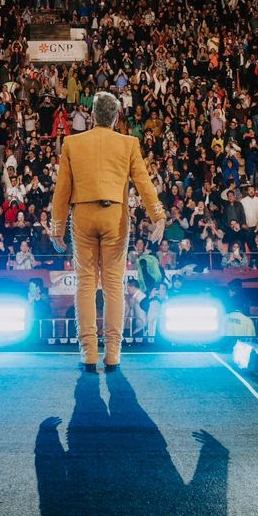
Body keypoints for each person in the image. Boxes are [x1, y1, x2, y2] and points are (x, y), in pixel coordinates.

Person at [49, 91, 164, 373]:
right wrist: (157, 215)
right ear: (116, 117)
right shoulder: (129, 143)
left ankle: (88, 352)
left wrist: (57, 227)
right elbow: (143, 181)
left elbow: (61, 189)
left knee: (85, 284)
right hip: (115, 215)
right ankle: (113, 353)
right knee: (113, 285)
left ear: (91, 116)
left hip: (83, 215)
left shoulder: (72, 143)